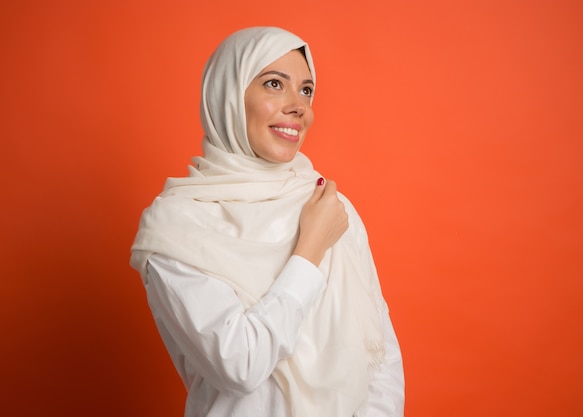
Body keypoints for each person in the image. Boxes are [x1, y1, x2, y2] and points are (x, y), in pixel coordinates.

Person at [130, 26, 404, 417]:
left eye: (306, 90)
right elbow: (239, 365)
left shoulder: (327, 203)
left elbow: (379, 359)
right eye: (274, 84)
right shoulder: (177, 227)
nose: (299, 106)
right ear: (228, 94)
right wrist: (309, 250)